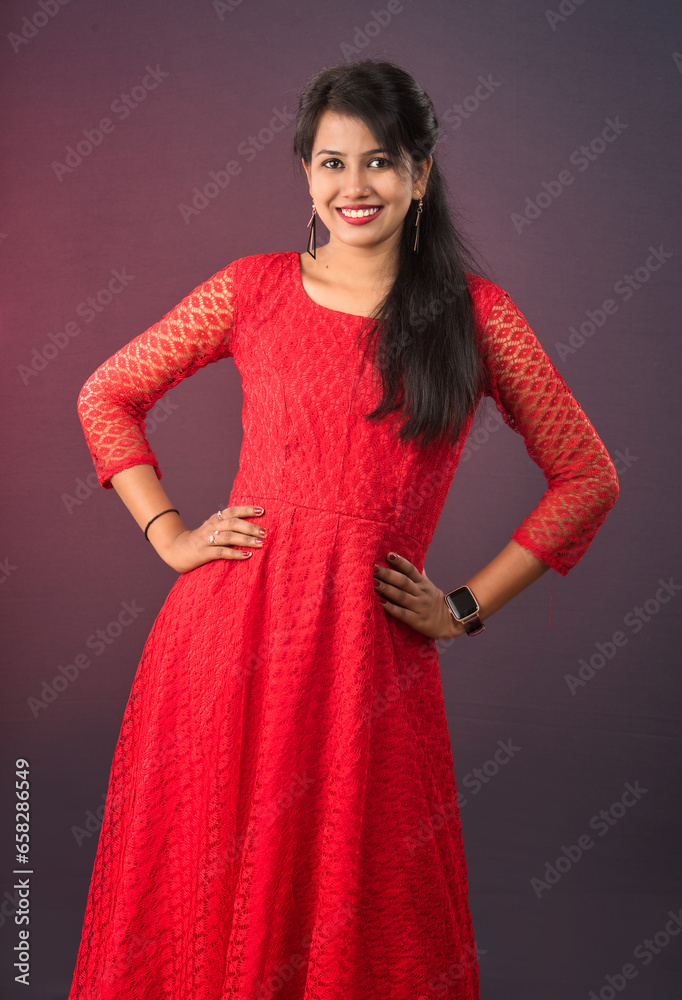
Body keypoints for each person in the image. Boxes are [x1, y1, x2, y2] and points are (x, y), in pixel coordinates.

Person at [68, 58, 619, 1000]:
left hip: (369, 661)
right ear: (306, 172)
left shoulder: (478, 318)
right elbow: (105, 394)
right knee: (197, 894)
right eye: (330, 162)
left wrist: (463, 607)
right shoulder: (252, 286)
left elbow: (588, 478)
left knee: (363, 912)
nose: (353, 187)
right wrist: (169, 533)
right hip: (222, 645)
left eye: (378, 162)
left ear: (421, 173)